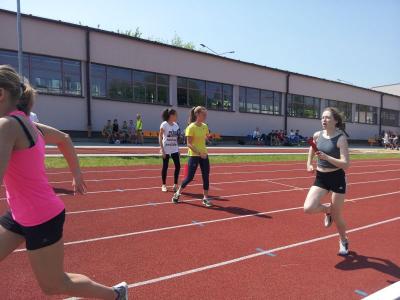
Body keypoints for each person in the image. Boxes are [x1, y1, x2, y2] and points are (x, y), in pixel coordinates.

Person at [0, 65, 128, 299]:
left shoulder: (7, 126)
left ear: (1, 94)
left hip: (41, 217)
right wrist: (76, 173)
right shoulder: (32, 125)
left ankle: (115, 295)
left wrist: (77, 173)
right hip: (20, 212)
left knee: (54, 284)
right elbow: (65, 138)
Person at [303, 107, 350, 256]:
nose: (324, 120)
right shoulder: (317, 135)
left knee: (337, 216)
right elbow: (312, 149)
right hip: (321, 177)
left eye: (327, 118)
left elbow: (346, 164)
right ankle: (327, 210)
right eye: (322, 117)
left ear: (335, 121)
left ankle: (343, 240)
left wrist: (327, 158)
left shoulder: (341, 138)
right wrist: (309, 164)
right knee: (308, 208)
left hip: (337, 178)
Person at [172, 106, 212, 207]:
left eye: (206, 115)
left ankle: (205, 198)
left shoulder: (204, 126)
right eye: (204, 115)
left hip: (204, 155)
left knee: (206, 176)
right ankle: (177, 193)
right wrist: (200, 153)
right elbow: (189, 144)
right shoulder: (190, 127)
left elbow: (205, 136)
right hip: (194, 155)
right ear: (197, 114)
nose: (205, 116)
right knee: (189, 177)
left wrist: (208, 139)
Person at [159, 109, 181, 192]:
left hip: (174, 148)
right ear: (171, 115)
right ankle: (164, 185)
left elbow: (176, 139)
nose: (177, 116)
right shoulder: (164, 124)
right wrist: (162, 149)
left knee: (178, 166)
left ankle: (175, 184)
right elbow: (160, 137)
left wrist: (178, 149)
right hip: (166, 149)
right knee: (165, 166)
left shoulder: (176, 125)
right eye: (175, 115)